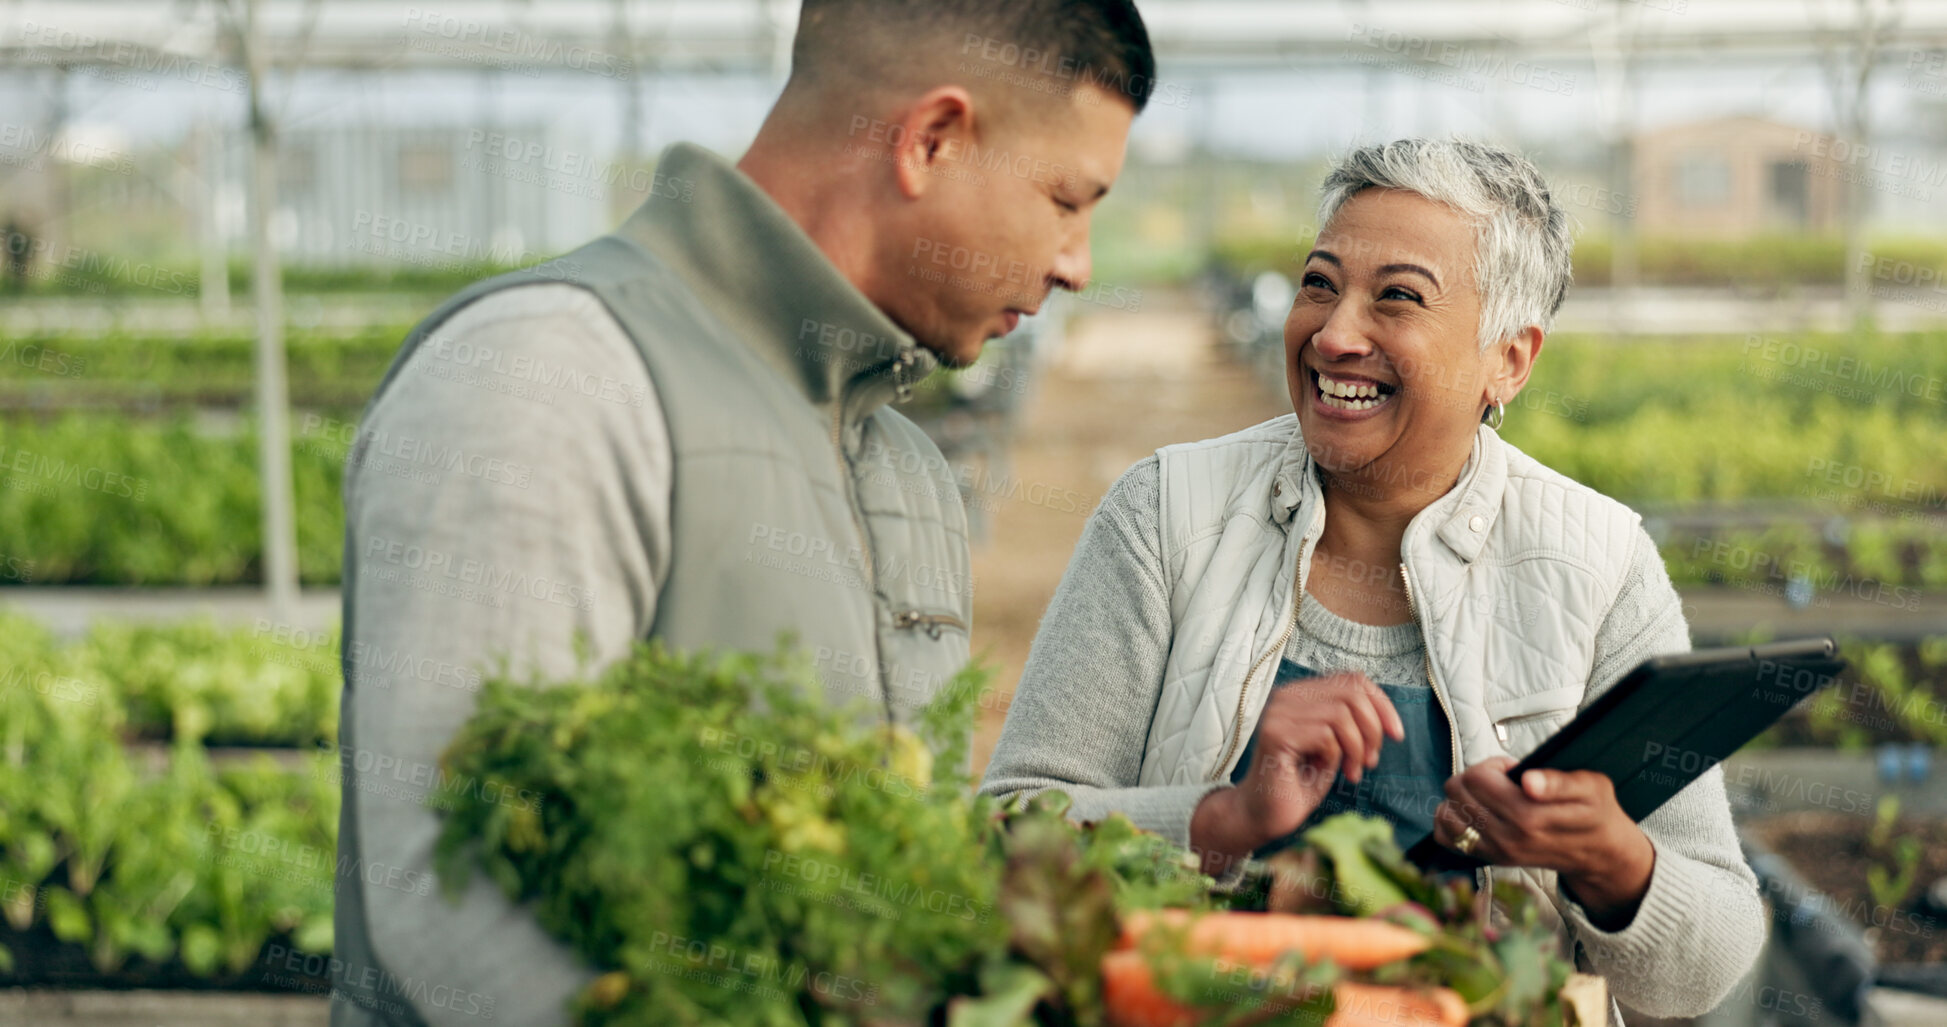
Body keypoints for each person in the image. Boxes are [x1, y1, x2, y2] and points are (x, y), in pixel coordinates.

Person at [331, 2, 1155, 1023]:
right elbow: (451, 899)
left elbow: (898, 883)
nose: (1077, 261)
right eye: (1067, 199)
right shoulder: (549, 374)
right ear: (932, 140)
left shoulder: (905, 470)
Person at [979, 139, 1764, 1025]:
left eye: (1396, 296)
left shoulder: (1598, 565)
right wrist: (1220, 817)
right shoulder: (1166, 515)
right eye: (1319, 284)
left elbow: (1710, 963)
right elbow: (1002, 839)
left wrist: (1615, 864)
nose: (1334, 333)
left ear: (1509, 358)